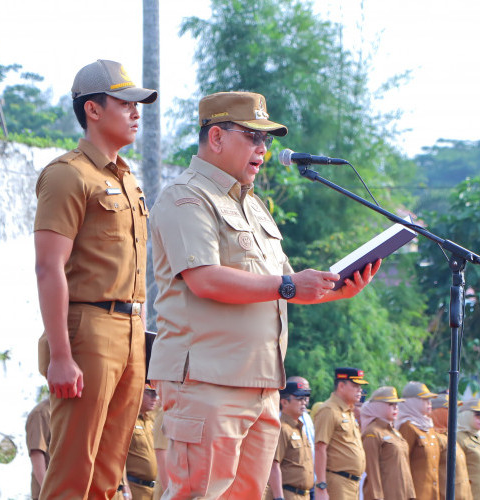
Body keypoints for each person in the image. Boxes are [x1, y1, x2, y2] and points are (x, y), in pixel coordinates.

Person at [148, 92, 379, 498]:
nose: (263, 150)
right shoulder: (186, 196)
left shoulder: (254, 207)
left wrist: (336, 290)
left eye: (267, 141)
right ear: (216, 137)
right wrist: (289, 285)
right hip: (206, 382)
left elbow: (285, 287)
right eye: (253, 137)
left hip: (261, 385)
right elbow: (205, 279)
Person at [34, 59, 157, 499]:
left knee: (107, 477)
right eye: (125, 103)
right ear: (93, 110)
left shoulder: (128, 181)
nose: (136, 112)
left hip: (131, 332)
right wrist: (61, 356)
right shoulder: (68, 175)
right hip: (87, 330)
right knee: (72, 473)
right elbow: (49, 267)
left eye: (136, 104)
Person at [314, 367, 369, 499]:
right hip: (338, 481)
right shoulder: (329, 410)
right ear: (341, 386)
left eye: (360, 386)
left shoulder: (348, 411)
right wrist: (321, 485)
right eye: (355, 385)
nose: (359, 390)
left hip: (352, 483)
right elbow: (320, 448)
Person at [360, 386, 415, 500]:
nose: (395, 408)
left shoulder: (395, 432)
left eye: (396, 404)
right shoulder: (373, 432)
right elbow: (371, 470)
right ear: (378, 406)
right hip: (386, 495)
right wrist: (377, 497)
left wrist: (411, 494)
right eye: (390, 404)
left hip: (402, 494)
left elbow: (405, 467)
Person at [267, 381, 314, 500]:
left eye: (305, 398)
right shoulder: (282, 429)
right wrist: (279, 497)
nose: (303, 402)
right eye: (299, 398)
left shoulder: (299, 428)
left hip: (304, 494)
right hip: (288, 493)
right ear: (284, 402)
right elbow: (273, 464)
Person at [396, 381, 441, 500]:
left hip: (432, 493)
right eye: (424, 400)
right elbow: (403, 464)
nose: (429, 403)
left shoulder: (428, 427)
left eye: (430, 400)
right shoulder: (407, 427)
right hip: (416, 494)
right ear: (412, 402)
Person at [123, 384, 160, 500]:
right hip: (134, 489)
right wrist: (124, 486)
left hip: (153, 491)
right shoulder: (127, 420)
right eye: (150, 393)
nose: (154, 397)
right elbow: (119, 457)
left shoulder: (151, 420)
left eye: (156, 393)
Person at [26, 397, 51, 500]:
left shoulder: (72, 411)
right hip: (48, 494)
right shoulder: (41, 413)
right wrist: (49, 492)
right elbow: (36, 454)